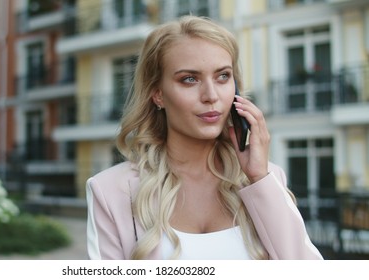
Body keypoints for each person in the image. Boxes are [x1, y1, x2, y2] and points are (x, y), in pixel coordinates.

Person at [86, 15, 323, 260]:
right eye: (189, 79)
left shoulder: (266, 178)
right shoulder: (110, 190)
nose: (211, 95)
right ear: (158, 95)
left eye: (223, 76)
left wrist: (258, 178)